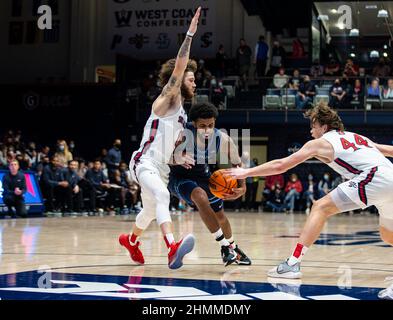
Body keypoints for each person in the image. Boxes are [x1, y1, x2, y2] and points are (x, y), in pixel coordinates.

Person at [227, 103, 393, 299]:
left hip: (374, 178)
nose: (311, 130)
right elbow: (389, 150)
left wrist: (246, 172)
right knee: (387, 235)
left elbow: (281, 165)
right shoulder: (358, 138)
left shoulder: (320, 142)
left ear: (324, 127)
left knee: (320, 207)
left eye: (313, 126)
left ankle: (292, 263)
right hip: (389, 176)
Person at [119, 7, 201, 270]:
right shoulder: (169, 96)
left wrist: (180, 156)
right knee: (164, 197)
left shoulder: (181, 115)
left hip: (161, 166)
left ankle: (130, 240)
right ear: (177, 81)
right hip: (145, 162)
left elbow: (170, 150)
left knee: (151, 210)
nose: (195, 82)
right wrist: (189, 34)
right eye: (191, 78)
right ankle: (172, 248)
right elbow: (179, 65)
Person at [168, 102, 250, 266]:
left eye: (210, 125)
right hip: (178, 177)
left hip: (202, 176)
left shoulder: (223, 139)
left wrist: (242, 187)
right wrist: (177, 158)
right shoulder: (182, 135)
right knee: (200, 195)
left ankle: (233, 247)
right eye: (202, 126)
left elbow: (237, 164)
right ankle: (224, 247)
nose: (207, 130)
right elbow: (161, 158)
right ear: (194, 124)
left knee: (220, 216)